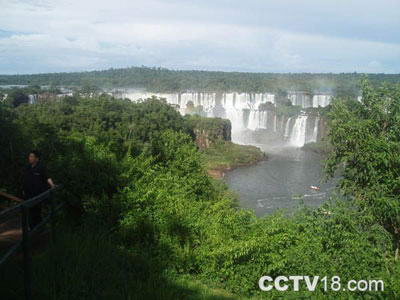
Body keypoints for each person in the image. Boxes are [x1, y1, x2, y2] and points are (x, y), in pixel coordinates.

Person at [22, 150, 55, 229]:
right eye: (29, 156)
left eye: (32, 156)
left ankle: (38, 229)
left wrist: (52, 185)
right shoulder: (27, 167)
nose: (29, 158)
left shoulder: (41, 168)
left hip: (37, 195)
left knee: (36, 212)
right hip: (28, 194)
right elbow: (24, 179)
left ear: (37, 159)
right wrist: (23, 189)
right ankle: (32, 230)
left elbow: (47, 177)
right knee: (29, 212)